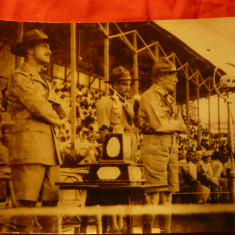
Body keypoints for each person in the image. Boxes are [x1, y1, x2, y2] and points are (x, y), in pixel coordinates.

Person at [7, 29, 66, 233]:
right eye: (44, 46)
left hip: (49, 150)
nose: (49, 50)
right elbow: (40, 108)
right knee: (26, 209)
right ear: (30, 50)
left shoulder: (43, 82)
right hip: (29, 150)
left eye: (49, 46)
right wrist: (55, 116)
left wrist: (54, 114)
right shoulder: (19, 77)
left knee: (51, 206)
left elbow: (63, 111)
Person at [139, 57, 186, 233]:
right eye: (172, 75)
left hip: (171, 148)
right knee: (152, 195)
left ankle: (166, 231)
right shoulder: (149, 96)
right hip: (154, 148)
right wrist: (171, 125)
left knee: (168, 195)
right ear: (160, 76)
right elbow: (159, 125)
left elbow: (182, 124)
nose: (176, 79)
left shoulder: (170, 100)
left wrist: (170, 125)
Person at [95, 66, 137, 233]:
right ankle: (114, 224)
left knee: (124, 188)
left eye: (129, 84)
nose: (128, 88)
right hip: (114, 150)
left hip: (129, 149)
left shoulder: (128, 103)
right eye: (124, 84)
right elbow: (104, 130)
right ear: (114, 84)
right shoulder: (105, 102)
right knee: (114, 188)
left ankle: (120, 222)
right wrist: (109, 154)